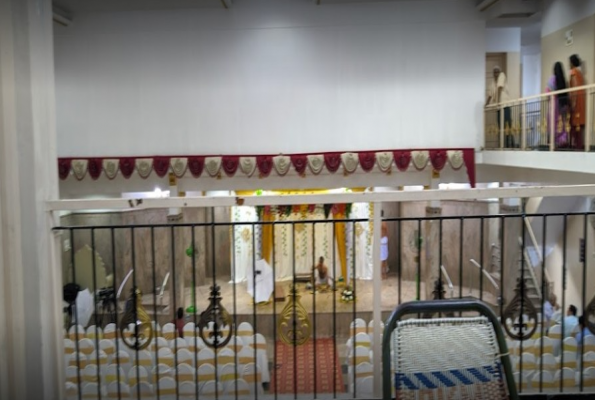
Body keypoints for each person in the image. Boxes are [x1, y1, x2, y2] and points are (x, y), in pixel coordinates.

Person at [486, 66, 513, 146]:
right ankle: (501, 144)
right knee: (500, 127)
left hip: (505, 105)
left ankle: (509, 144)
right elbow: (490, 94)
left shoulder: (502, 75)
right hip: (499, 108)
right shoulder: (492, 83)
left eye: (497, 71)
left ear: (499, 72)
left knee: (508, 126)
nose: (496, 73)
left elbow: (500, 88)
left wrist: (498, 101)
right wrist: (486, 104)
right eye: (494, 72)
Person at [546, 62, 570, 148]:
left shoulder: (552, 79)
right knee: (562, 124)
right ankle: (563, 141)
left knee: (553, 123)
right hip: (563, 105)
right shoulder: (563, 80)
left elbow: (547, 92)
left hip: (554, 105)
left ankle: (554, 143)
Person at [569, 54, 586, 149]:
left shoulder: (573, 72)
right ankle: (579, 146)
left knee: (575, 126)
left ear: (572, 63)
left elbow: (574, 89)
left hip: (576, 103)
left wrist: (573, 103)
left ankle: (576, 147)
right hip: (581, 102)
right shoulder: (580, 73)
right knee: (579, 126)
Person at [381, 211, 389, 280]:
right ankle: (383, 274)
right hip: (383, 240)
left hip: (382, 240)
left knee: (382, 259)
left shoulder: (379, 221)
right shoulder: (383, 222)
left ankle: (383, 274)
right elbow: (386, 230)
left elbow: (385, 230)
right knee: (383, 259)